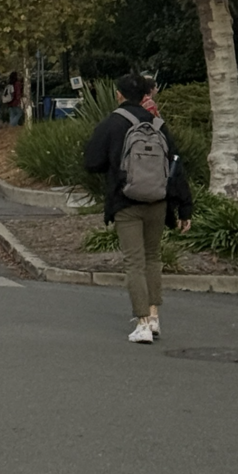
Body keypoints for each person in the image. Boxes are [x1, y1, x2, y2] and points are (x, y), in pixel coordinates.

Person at [83, 73, 194, 343]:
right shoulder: (158, 124)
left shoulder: (111, 123)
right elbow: (175, 165)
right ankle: (154, 317)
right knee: (153, 258)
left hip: (126, 201)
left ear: (119, 94)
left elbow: (91, 162)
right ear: (146, 95)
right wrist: (184, 207)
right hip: (158, 201)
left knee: (134, 262)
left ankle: (142, 323)